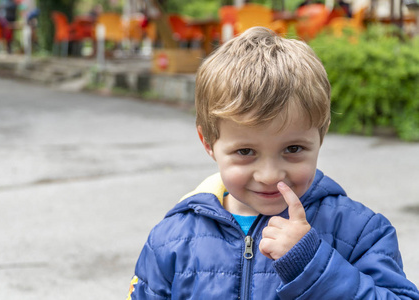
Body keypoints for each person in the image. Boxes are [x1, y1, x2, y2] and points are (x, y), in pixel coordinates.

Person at [127, 27, 419, 299]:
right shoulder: (171, 240)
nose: (269, 175)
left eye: (292, 148)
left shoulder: (359, 231)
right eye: (245, 152)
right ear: (208, 143)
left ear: (322, 133)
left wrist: (313, 265)